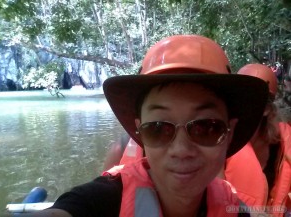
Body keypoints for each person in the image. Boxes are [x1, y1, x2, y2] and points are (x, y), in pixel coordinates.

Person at [30, 35, 269, 217]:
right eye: (158, 128)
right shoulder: (102, 199)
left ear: (229, 133)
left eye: (206, 127)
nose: (181, 150)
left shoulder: (236, 209)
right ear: (139, 132)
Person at [223, 63, 291, 217]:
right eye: (237, 98)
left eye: (249, 99)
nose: (240, 106)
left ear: (267, 109)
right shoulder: (222, 145)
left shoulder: (285, 143)